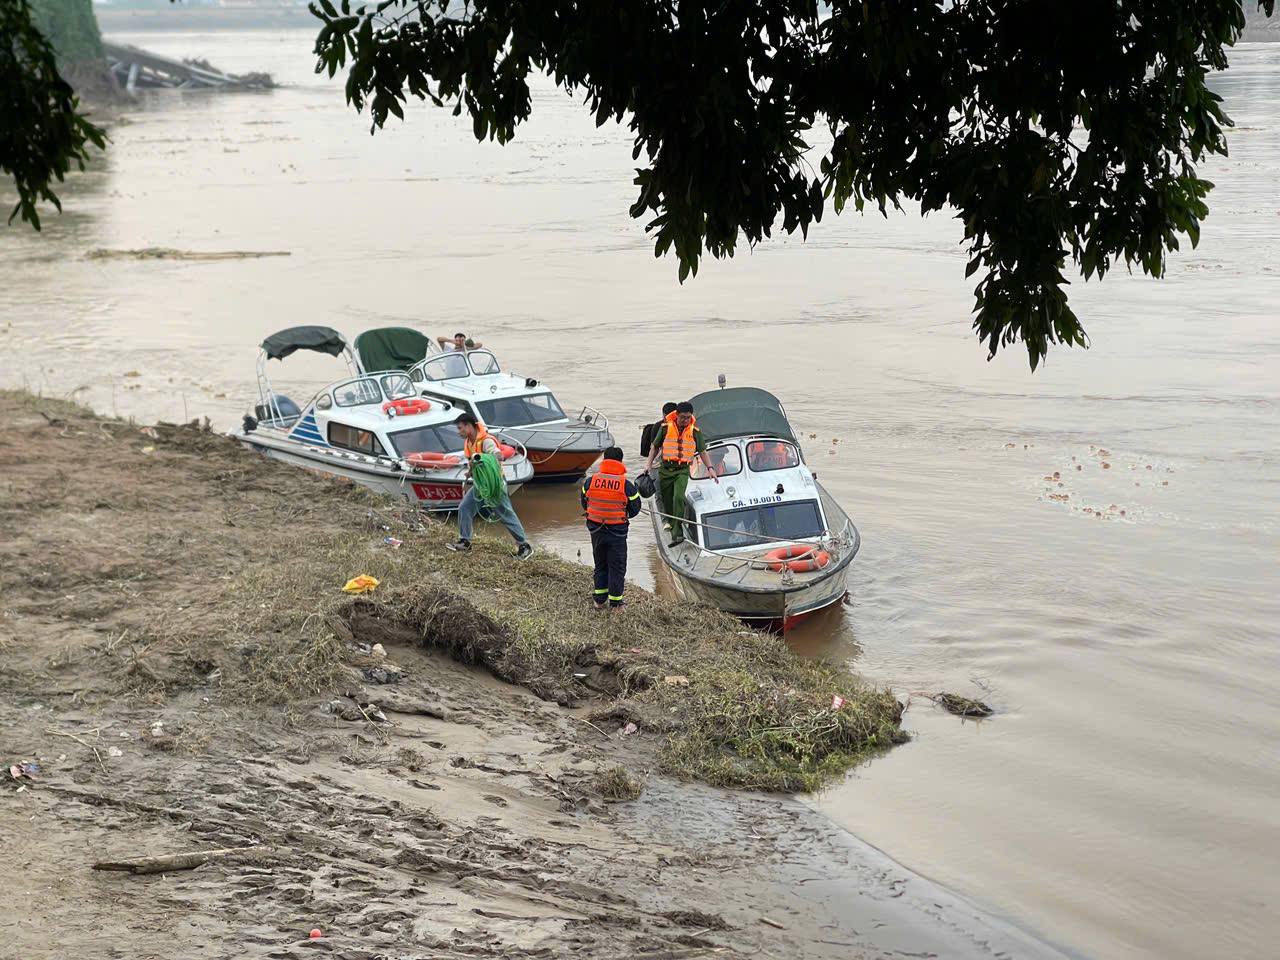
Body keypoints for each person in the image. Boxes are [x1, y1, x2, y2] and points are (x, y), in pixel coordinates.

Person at [446, 413, 533, 559]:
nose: (458, 431)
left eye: (460, 428)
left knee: (505, 513)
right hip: (481, 484)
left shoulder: (486, 441)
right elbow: (473, 461)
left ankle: (524, 546)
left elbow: (498, 455)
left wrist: (487, 457)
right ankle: (464, 541)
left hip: (494, 484)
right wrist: (470, 472)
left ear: (468, 426)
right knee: (465, 507)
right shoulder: (469, 442)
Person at [644, 401, 718, 546]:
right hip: (665, 470)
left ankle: (677, 535)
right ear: (676, 415)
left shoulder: (695, 431)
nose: (685, 420)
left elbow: (702, 451)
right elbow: (654, 447)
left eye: (688, 417)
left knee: (678, 497)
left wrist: (710, 468)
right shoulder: (665, 428)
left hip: (682, 470)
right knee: (668, 503)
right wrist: (648, 465)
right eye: (683, 417)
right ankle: (674, 529)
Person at [580, 446, 641, 611]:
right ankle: (616, 604)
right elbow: (635, 509)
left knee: (600, 565)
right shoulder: (626, 485)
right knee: (617, 567)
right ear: (620, 462)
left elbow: (585, 502)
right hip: (617, 532)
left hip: (595, 530)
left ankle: (599, 601)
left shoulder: (590, 481)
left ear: (604, 460)